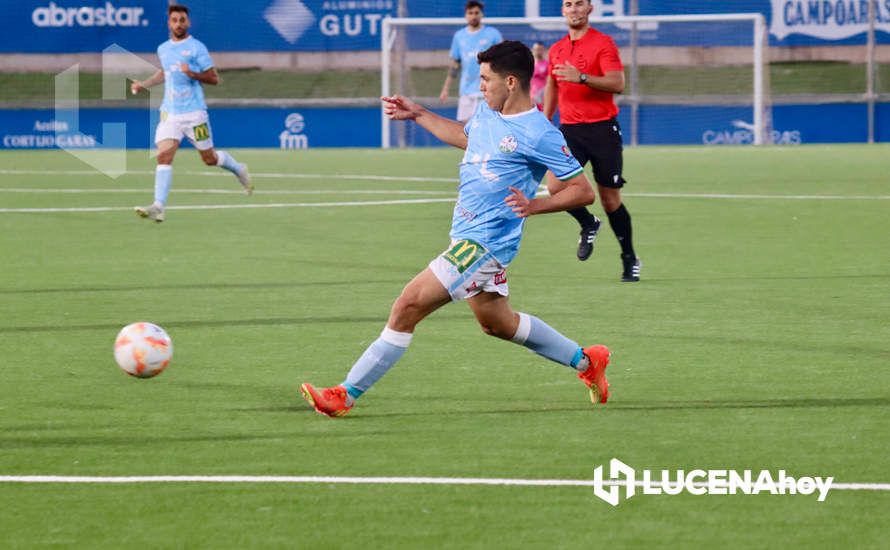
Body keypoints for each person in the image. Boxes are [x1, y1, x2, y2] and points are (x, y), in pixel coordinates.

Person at [301, 41, 611, 418]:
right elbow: (467, 137)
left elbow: (583, 191)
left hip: (483, 245)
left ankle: (344, 394)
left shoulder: (539, 133)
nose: (479, 86)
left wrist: (536, 205)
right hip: (466, 235)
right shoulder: (487, 112)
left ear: (511, 82)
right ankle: (586, 362)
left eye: (485, 79)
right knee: (498, 324)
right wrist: (418, 114)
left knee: (407, 305)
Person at [544, 0, 641, 281]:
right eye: (568, 4)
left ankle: (629, 257)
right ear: (563, 10)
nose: (574, 9)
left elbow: (617, 83)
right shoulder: (557, 49)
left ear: (589, 9)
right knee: (555, 187)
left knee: (610, 200)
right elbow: (552, 86)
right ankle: (588, 223)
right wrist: (544, 121)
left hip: (602, 130)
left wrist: (582, 77)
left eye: (579, 4)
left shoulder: (604, 43)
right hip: (570, 131)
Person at [130, 4, 251, 223]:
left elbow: (214, 78)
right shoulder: (163, 49)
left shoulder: (197, 48)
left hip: (195, 114)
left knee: (209, 159)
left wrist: (192, 73)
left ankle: (238, 168)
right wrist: (144, 84)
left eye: (182, 20)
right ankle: (159, 206)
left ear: (188, 22)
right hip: (170, 113)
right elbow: (165, 72)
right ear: (169, 23)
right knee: (164, 156)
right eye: (174, 20)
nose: (178, 24)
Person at [439, 1, 503, 123]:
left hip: (487, 90)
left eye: (476, 13)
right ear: (465, 15)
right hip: (466, 90)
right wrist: (445, 88)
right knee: (465, 129)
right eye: (470, 13)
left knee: (487, 126)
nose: (473, 16)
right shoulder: (459, 36)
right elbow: (455, 64)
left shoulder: (492, 34)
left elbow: (502, 59)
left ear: (481, 15)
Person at [530, 42, 549, 110]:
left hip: (542, 98)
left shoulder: (547, 64)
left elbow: (550, 81)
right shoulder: (528, 64)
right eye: (536, 49)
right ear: (532, 50)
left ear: (544, 50)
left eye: (540, 49)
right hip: (530, 98)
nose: (538, 51)